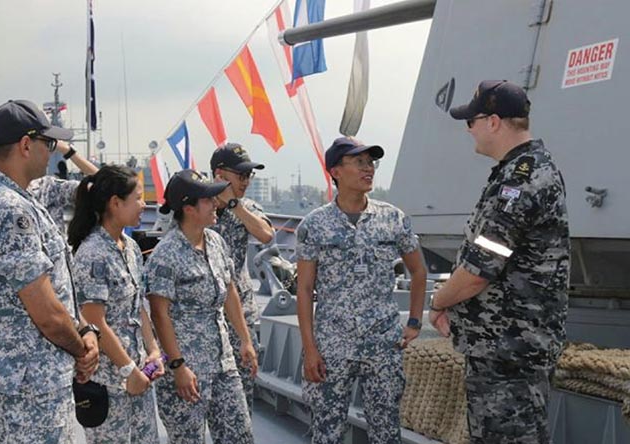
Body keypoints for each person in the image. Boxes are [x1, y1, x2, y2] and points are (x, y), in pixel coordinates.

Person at [430, 80, 570, 443]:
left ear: (493, 122)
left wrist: (439, 301)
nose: (469, 130)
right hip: (509, 347)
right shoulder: (523, 171)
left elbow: (481, 269)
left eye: (471, 121)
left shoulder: (520, 181)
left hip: (509, 351)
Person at [0, 99, 100, 443]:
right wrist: (81, 348)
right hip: (28, 384)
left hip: (22, 376)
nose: (50, 152)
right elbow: (47, 313)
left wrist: (84, 327)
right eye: (48, 143)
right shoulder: (7, 209)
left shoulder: (3, 197)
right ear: (26, 145)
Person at [295, 136, 427, 444]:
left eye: (371, 163)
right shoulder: (314, 225)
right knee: (327, 431)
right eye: (359, 162)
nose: (368, 169)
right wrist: (311, 348)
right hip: (332, 345)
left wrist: (415, 322)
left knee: (386, 431)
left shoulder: (393, 219)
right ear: (336, 171)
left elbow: (419, 270)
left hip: (382, 344)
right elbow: (304, 288)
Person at [145, 169, 258, 444]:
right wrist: (178, 365)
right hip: (187, 368)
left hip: (223, 363)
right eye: (208, 199)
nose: (216, 203)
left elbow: (230, 290)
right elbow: (160, 314)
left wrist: (244, 341)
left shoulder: (215, 242)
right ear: (188, 209)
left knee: (240, 435)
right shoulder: (166, 254)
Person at [68, 165, 164, 443]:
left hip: (139, 378)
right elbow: (94, 320)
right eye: (137, 197)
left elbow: (138, 307)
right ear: (115, 203)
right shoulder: (93, 254)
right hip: (110, 383)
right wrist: (127, 370)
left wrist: (153, 351)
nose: (143, 205)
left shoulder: (131, 248)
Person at [209, 142, 274, 413]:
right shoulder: (195, 204)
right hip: (202, 312)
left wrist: (234, 204)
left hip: (240, 314)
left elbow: (266, 234)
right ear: (220, 175)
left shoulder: (247, 207)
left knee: (242, 390)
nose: (247, 181)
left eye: (249, 175)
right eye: (241, 175)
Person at [27, 137, 98, 237]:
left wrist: (69, 152)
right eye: (47, 145)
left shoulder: (49, 187)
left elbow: (103, 183)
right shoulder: (3, 194)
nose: (49, 154)